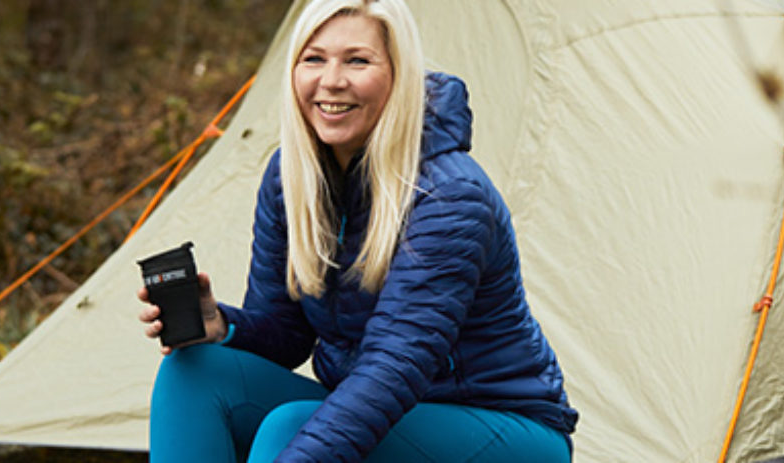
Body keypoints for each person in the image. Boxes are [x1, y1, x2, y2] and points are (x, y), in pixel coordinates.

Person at [136, 0, 577, 461]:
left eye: (357, 60)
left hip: (501, 426)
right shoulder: (292, 176)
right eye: (314, 59)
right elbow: (287, 336)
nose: (331, 81)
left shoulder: (449, 196)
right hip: (385, 411)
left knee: (291, 430)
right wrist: (224, 325)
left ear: (398, 74)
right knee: (194, 370)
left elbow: (394, 368)